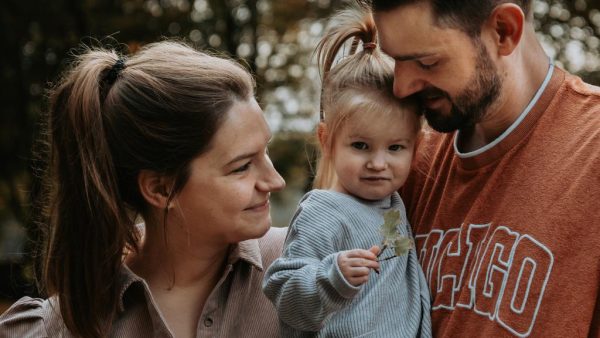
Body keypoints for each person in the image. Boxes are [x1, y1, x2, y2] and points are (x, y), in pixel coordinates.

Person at [0, 40, 286, 338]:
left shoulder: (310, 267)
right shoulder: (59, 329)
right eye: (242, 167)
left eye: (264, 152)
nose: (275, 181)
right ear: (161, 189)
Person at [362, 0, 600, 337]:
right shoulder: (406, 160)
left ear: (504, 31)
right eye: (396, 60)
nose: (402, 87)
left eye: (427, 62)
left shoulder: (592, 150)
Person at [262, 7, 431, 337]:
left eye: (395, 148)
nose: (378, 163)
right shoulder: (321, 212)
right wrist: (331, 276)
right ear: (327, 140)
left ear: (416, 145)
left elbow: (401, 283)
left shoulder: (391, 204)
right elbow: (284, 295)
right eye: (361, 146)